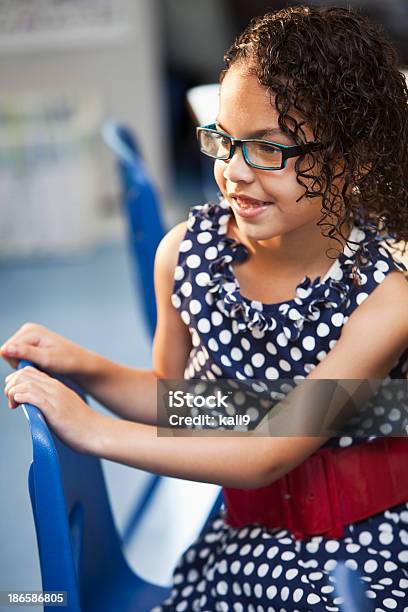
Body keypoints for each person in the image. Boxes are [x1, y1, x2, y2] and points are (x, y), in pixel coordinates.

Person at [2, 5, 408, 610]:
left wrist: (96, 432)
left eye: (268, 150)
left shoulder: (386, 302)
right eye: (224, 141)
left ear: (353, 161)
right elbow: (190, 408)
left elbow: (268, 451)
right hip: (245, 542)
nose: (234, 172)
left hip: (367, 552)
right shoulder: (187, 257)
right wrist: (84, 364)